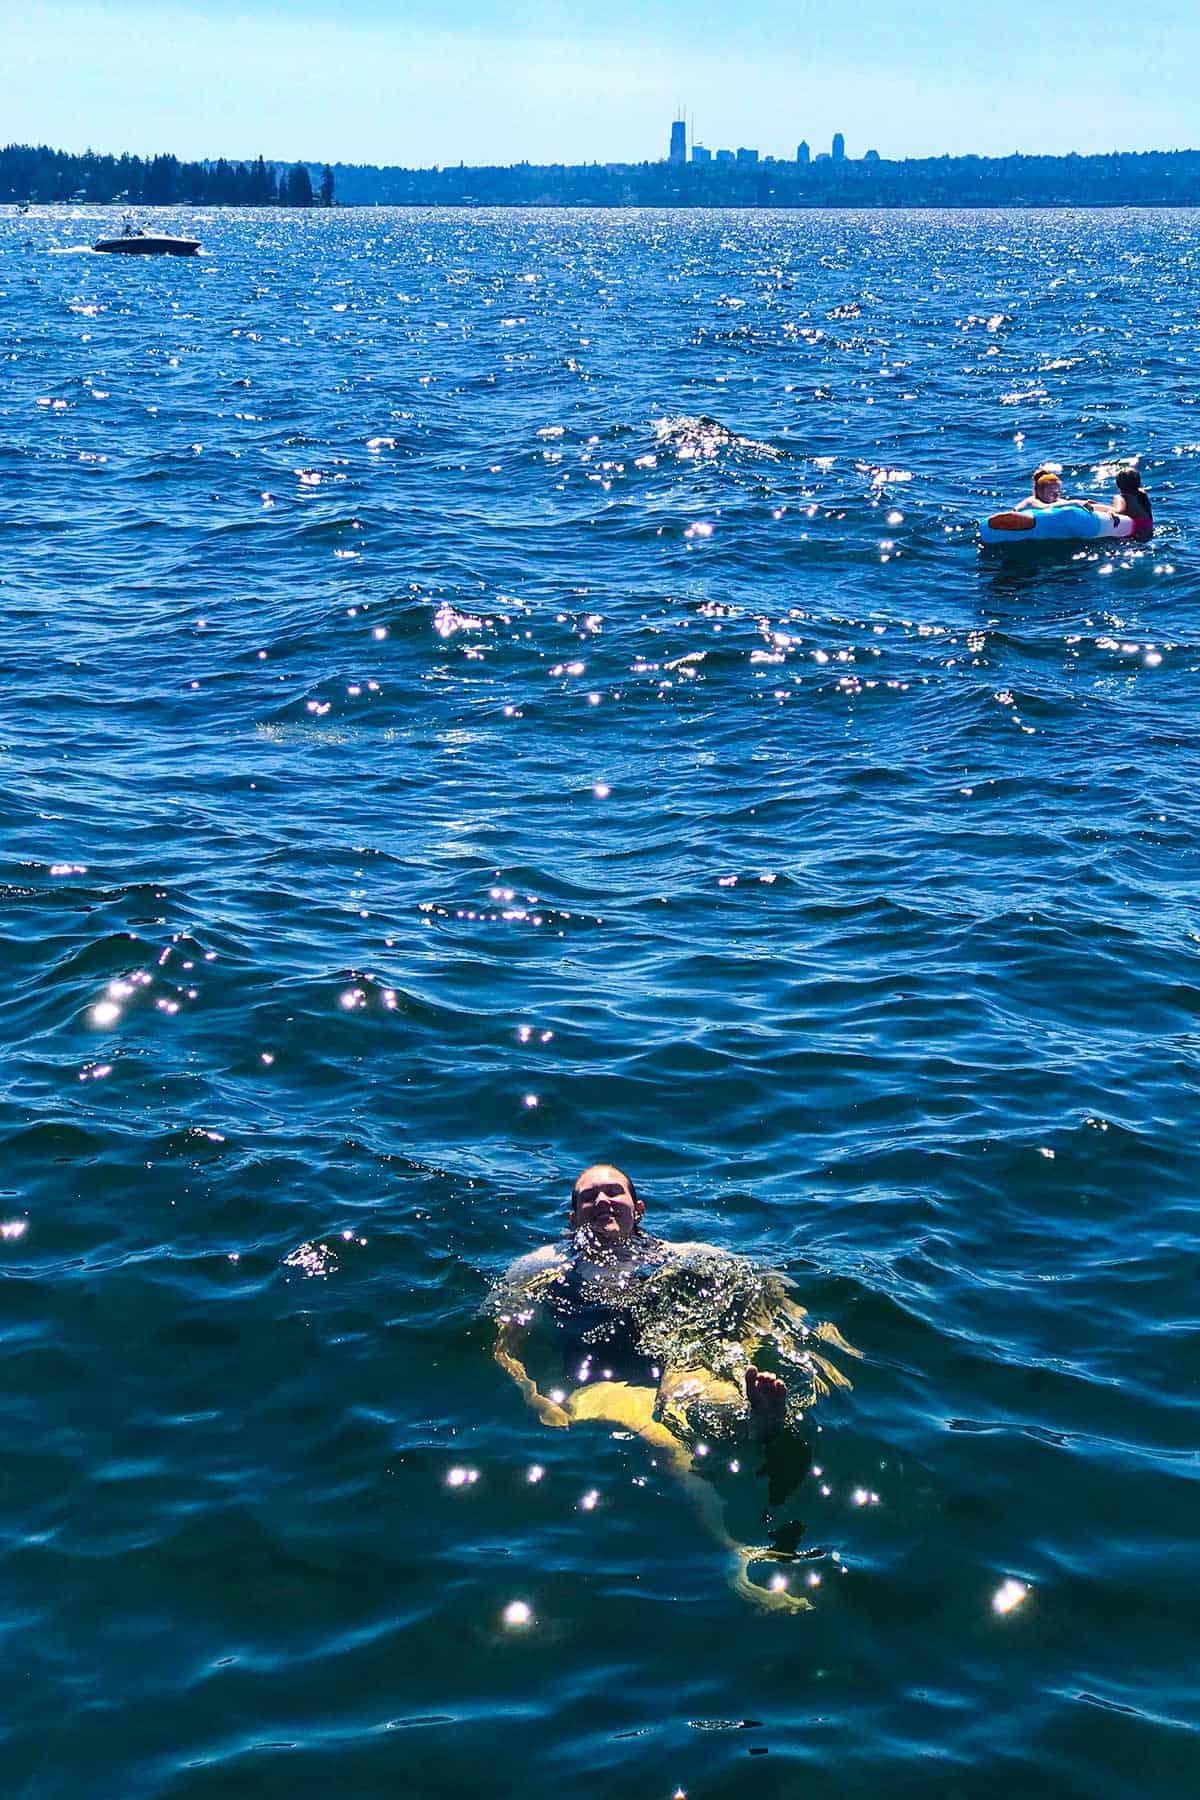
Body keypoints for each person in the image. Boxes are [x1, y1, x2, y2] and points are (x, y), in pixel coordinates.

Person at [491, 1163, 857, 1612]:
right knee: (668, 1440)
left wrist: (812, 1334)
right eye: (588, 1197)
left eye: (613, 1193)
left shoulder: (680, 1254)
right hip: (605, 1380)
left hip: (676, 1362)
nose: (602, 1201)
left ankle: (761, 1424)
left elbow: (764, 1286)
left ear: (637, 1210)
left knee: (716, 1404)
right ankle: (734, 1552)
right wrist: (535, 1395)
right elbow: (503, 1345)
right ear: (572, 1218)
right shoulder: (538, 1268)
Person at [1111, 467, 1154, 539]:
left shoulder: (1120, 498)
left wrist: (1110, 512)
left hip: (1135, 533)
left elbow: (1119, 511)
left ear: (1117, 485)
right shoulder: (1142, 494)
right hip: (1148, 532)